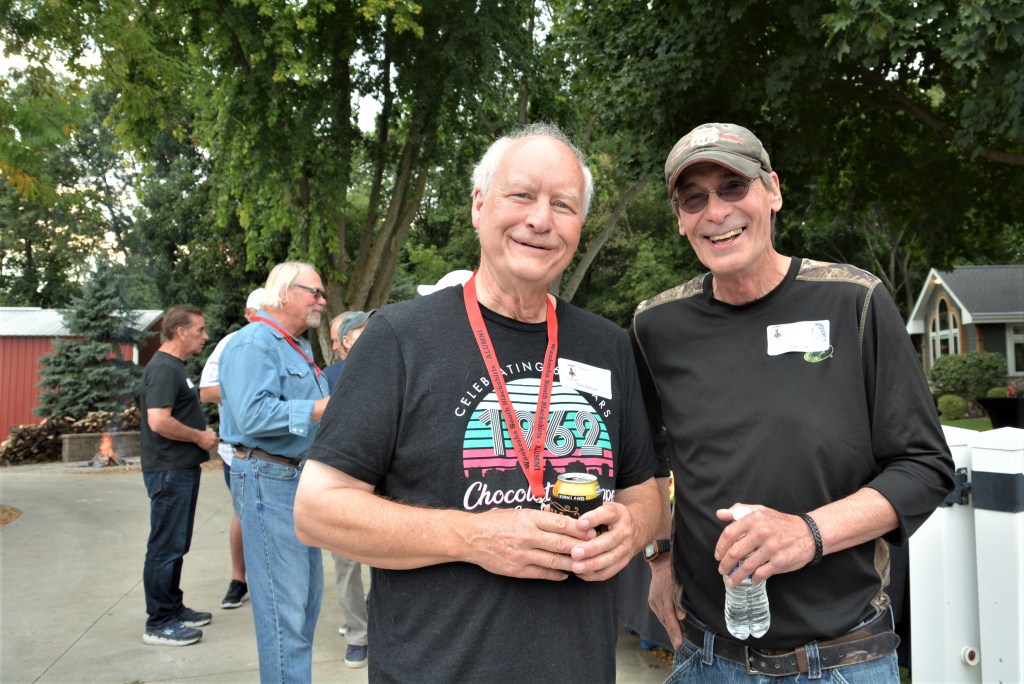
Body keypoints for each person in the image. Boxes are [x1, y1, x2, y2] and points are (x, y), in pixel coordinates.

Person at [293, 123, 663, 682]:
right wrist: (475, 537)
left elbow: (647, 493)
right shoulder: (399, 338)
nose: (540, 219)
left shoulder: (608, 346)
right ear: (479, 205)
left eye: (562, 204)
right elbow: (316, 511)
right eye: (522, 195)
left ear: (579, 226)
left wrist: (631, 528)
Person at [632, 122, 956, 681]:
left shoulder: (853, 302)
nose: (716, 212)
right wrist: (658, 557)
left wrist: (807, 534)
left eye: (733, 187)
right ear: (681, 218)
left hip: (841, 658)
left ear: (773, 191)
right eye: (694, 198)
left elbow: (925, 468)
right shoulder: (656, 326)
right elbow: (644, 457)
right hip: (707, 656)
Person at [217, 263, 330, 683]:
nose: (322, 301)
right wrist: (322, 408)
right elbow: (252, 416)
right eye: (314, 292)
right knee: (285, 616)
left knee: (305, 604)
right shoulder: (253, 344)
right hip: (269, 479)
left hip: (297, 481)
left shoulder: (294, 345)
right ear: (285, 292)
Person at [139, 306, 220, 646]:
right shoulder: (163, 369)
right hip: (169, 470)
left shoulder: (174, 367)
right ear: (180, 331)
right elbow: (159, 421)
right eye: (200, 330)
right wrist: (199, 436)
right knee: (166, 546)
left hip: (179, 469)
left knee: (176, 543)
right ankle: (159, 622)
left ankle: (172, 607)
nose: (205, 336)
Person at [198, 286, 265, 609]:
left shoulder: (289, 343)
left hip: (283, 455)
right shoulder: (231, 343)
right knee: (244, 514)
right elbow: (206, 390)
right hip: (238, 453)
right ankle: (239, 579)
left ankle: (271, 581)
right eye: (258, 312)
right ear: (248, 314)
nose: (264, 318)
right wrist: (246, 391)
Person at [324, 309, 374, 668]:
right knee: (346, 562)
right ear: (346, 340)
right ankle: (358, 634)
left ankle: (381, 616)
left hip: (389, 479)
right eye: (363, 330)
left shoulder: (391, 366)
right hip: (345, 481)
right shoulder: (327, 378)